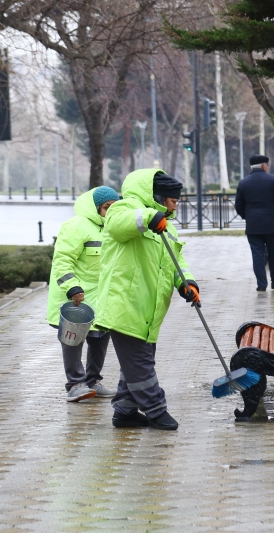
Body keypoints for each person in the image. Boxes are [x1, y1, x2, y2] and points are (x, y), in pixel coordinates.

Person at [93, 169, 198, 431]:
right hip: (124, 303)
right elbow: (118, 225)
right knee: (140, 362)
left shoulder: (167, 225)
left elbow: (175, 260)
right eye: (173, 200)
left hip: (147, 306)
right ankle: (155, 408)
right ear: (159, 198)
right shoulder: (123, 207)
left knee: (138, 359)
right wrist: (151, 217)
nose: (176, 204)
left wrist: (187, 282)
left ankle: (126, 410)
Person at [46, 185, 119, 402]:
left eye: (115, 208)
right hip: (76, 296)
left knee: (100, 338)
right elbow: (62, 260)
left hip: (102, 296)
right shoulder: (75, 226)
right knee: (73, 340)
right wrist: (72, 288)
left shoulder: (114, 229)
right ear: (96, 207)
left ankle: (93, 381)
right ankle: (75, 384)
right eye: (107, 207)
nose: (110, 212)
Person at [234, 154, 274, 292]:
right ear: (264, 166)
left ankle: (261, 284)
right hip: (271, 225)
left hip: (253, 226)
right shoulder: (273, 180)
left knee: (257, 255)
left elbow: (238, 205)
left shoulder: (244, 183)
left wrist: (248, 217)